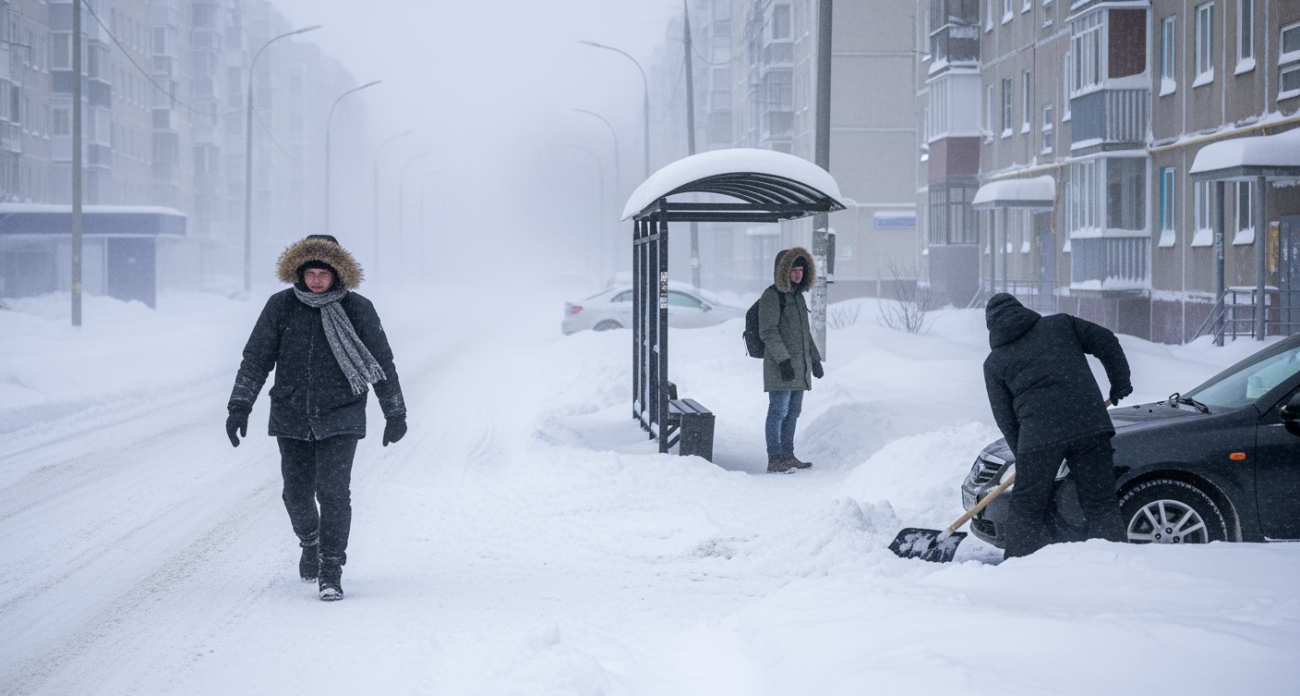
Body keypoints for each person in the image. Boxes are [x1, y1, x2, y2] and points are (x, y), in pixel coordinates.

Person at [225, 235, 407, 601]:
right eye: (310, 273)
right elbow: (256, 359)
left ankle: (331, 569)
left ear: (337, 273)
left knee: (334, 494)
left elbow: (381, 363)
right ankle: (310, 541)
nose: (317, 280)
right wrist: (239, 406)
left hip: (342, 413)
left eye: (324, 273)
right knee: (295, 494)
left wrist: (395, 412)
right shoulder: (281, 307)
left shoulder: (358, 309)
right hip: (291, 413)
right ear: (299, 272)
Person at [982, 293, 1133, 559]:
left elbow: (1004, 417)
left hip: (1039, 436)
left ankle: (1016, 567)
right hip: (1089, 424)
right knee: (1100, 502)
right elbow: (1106, 340)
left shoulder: (994, 363)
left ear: (991, 326)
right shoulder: (1061, 325)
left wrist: (1024, 454)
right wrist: (1120, 382)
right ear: (1021, 309)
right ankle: (1112, 563)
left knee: (1026, 507)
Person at [759, 247, 824, 473]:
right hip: (781, 366)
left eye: (801, 270)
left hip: (799, 366)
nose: (798, 274)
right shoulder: (772, 296)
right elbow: (768, 331)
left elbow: (805, 335)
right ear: (783, 271)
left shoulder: (798, 297)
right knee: (778, 412)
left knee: (793, 413)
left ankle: (788, 456)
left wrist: (815, 360)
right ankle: (774, 459)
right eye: (793, 269)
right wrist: (783, 360)